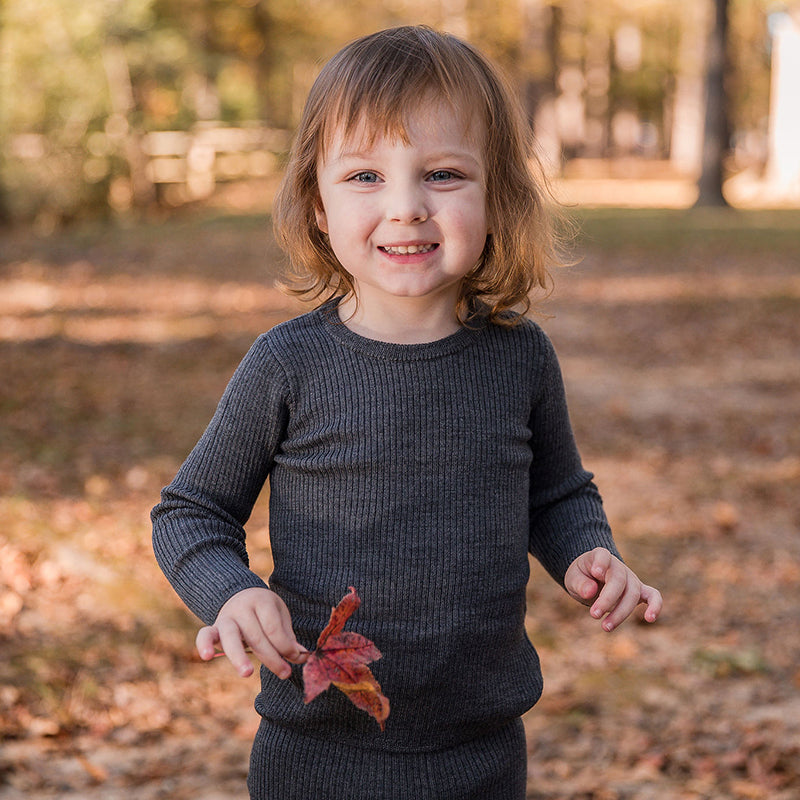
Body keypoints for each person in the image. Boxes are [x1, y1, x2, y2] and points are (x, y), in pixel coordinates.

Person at [151, 25, 662, 800]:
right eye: (364, 175)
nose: (406, 208)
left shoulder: (519, 358)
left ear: (498, 198)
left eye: (443, 174)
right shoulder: (288, 364)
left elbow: (557, 494)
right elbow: (190, 511)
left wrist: (588, 552)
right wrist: (232, 591)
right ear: (317, 205)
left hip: (482, 751)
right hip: (317, 753)